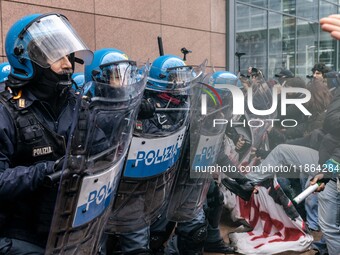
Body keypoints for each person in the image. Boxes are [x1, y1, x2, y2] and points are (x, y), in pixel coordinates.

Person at [0, 13, 93, 254]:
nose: (68, 65)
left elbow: (102, 150)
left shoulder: (75, 104)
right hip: (23, 233)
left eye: (69, 56)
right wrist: (45, 171)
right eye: (57, 56)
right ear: (28, 60)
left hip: (75, 223)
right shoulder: (5, 111)